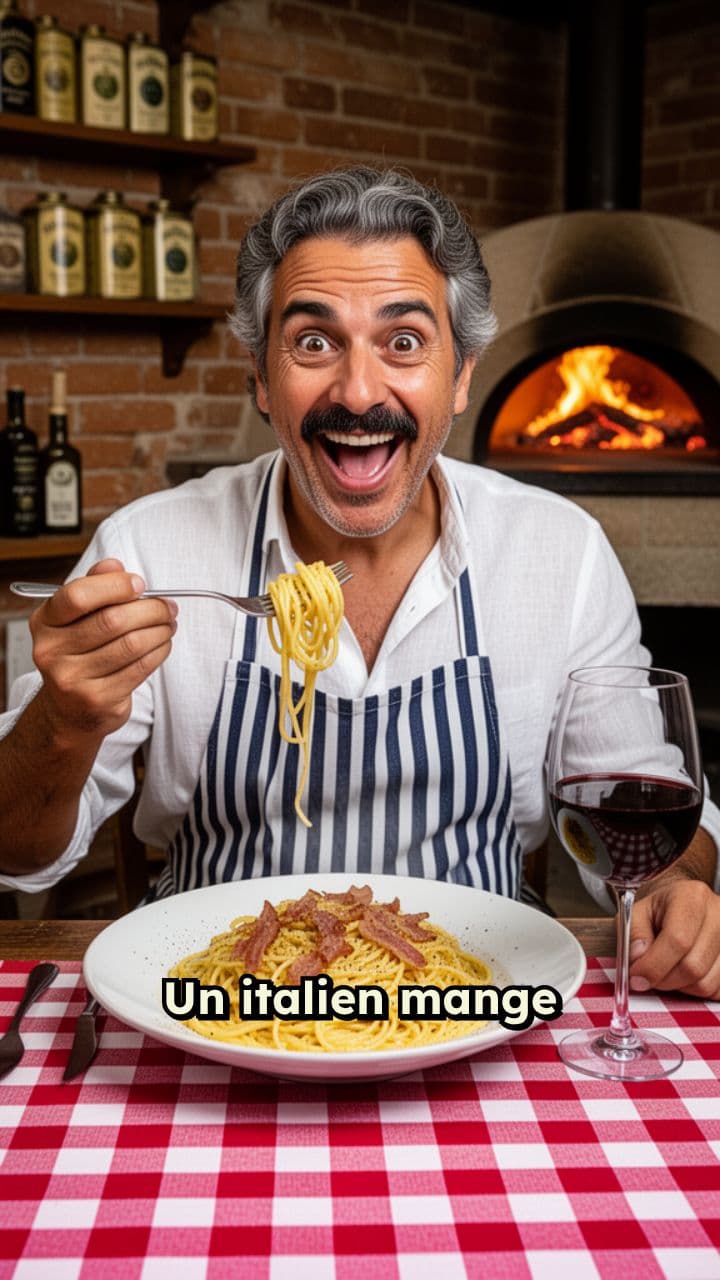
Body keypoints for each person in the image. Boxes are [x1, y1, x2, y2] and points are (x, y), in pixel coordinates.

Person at [1, 166, 719, 999]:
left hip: (481, 997)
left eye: (404, 342)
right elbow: (17, 854)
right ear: (262, 381)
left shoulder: (561, 553)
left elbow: (650, 818)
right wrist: (63, 718)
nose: (357, 391)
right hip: (210, 999)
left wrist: (677, 890)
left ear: (459, 379)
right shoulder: (151, 550)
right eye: (313, 342)